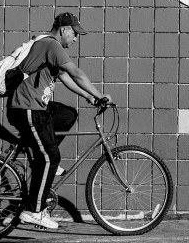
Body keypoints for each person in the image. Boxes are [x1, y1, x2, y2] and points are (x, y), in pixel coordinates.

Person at [6, 12, 111, 230]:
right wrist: (100, 94)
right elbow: (76, 73)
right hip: (27, 107)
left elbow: (65, 77)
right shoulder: (52, 45)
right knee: (50, 158)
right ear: (63, 29)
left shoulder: (49, 48)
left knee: (67, 114)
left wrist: (90, 98)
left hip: (36, 107)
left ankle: (43, 154)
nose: (75, 38)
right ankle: (33, 211)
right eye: (74, 33)